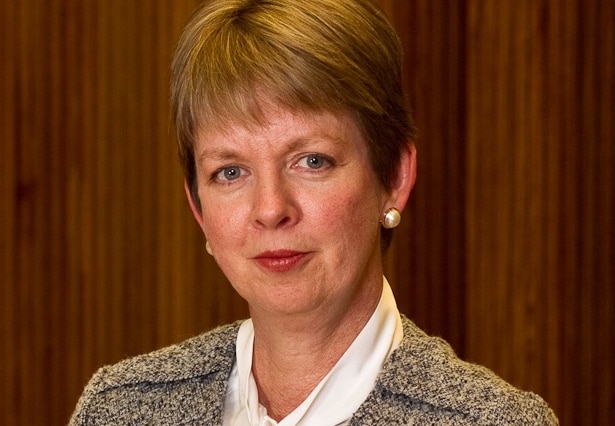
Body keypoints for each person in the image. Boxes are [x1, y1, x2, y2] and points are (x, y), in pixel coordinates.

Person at [69, 0, 558, 424]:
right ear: (198, 208)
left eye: (312, 161)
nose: (270, 209)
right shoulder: (118, 409)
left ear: (394, 178)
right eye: (230, 172)